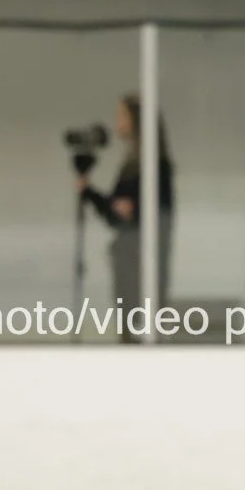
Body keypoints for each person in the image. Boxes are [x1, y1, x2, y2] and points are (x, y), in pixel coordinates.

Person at [77, 94, 174, 341]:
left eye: (122, 116)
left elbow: (150, 215)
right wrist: (89, 192)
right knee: (128, 328)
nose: (117, 122)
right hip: (127, 260)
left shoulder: (156, 166)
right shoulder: (132, 166)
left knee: (139, 328)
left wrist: (129, 209)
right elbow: (116, 213)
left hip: (142, 264)